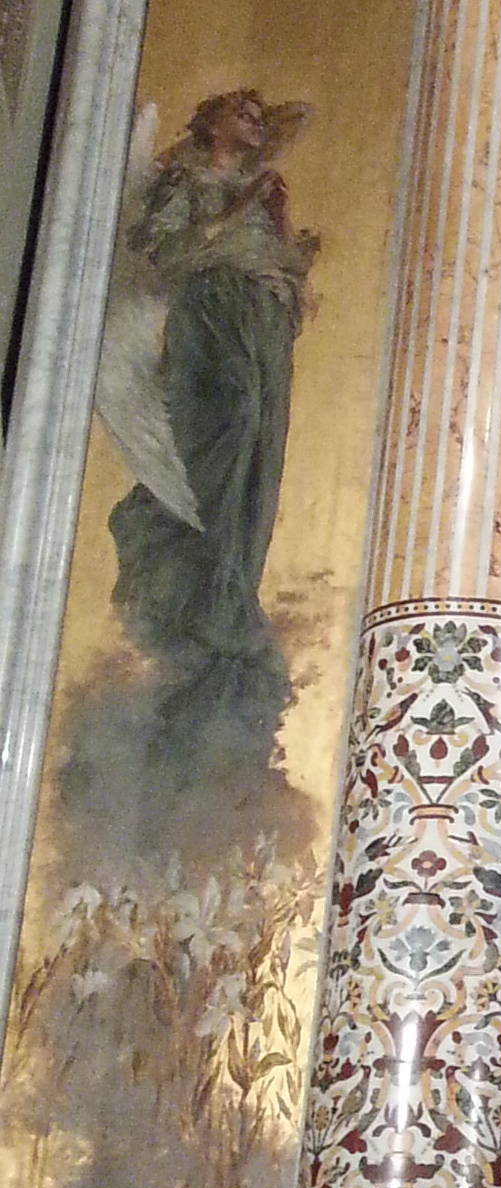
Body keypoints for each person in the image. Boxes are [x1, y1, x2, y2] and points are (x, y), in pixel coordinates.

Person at [97, 88, 316, 775]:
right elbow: (164, 257)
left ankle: (233, 587)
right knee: (231, 425)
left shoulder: (259, 196)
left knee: (262, 457)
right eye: (240, 111)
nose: (253, 120)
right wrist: (242, 205)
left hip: (263, 324)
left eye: (257, 115)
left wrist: (280, 225)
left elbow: (290, 281)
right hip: (212, 315)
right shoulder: (184, 182)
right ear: (209, 123)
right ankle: (205, 583)